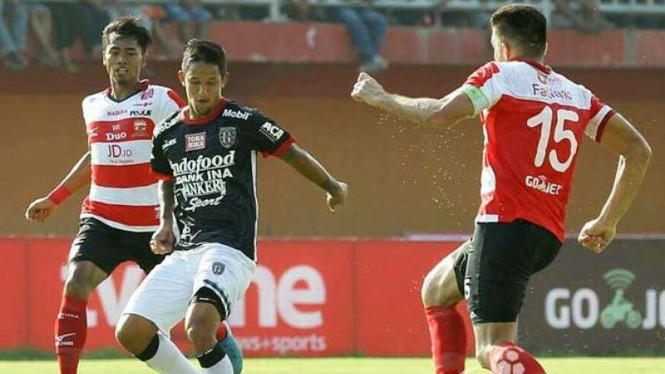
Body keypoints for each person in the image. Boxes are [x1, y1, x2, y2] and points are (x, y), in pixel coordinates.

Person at [351, 5, 650, 374]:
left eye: (494, 45)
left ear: (504, 47)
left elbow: (441, 113)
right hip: (545, 235)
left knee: (492, 348)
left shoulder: (499, 75)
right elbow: (638, 150)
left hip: (504, 226)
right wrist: (608, 220)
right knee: (436, 291)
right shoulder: (576, 94)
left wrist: (382, 98)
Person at [115, 39, 348, 374]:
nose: (202, 91)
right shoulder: (168, 133)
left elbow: (291, 152)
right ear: (182, 77)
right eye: (195, 82)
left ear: (224, 78)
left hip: (229, 248)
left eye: (211, 82)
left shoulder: (243, 120)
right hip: (185, 250)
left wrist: (332, 186)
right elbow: (167, 180)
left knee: (199, 326)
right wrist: (165, 223)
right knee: (132, 332)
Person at [24, 18, 242, 374]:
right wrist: (55, 197)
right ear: (104, 59)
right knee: (76, 282)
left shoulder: (160, 99)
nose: (122, 59)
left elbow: (188, 140)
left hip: (156, 225)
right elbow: (94, 155)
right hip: (103, 219)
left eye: (131, 52)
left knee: (192, 309)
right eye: (115, 51)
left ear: (143, 59)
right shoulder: (91, 104)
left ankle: (219, 337)